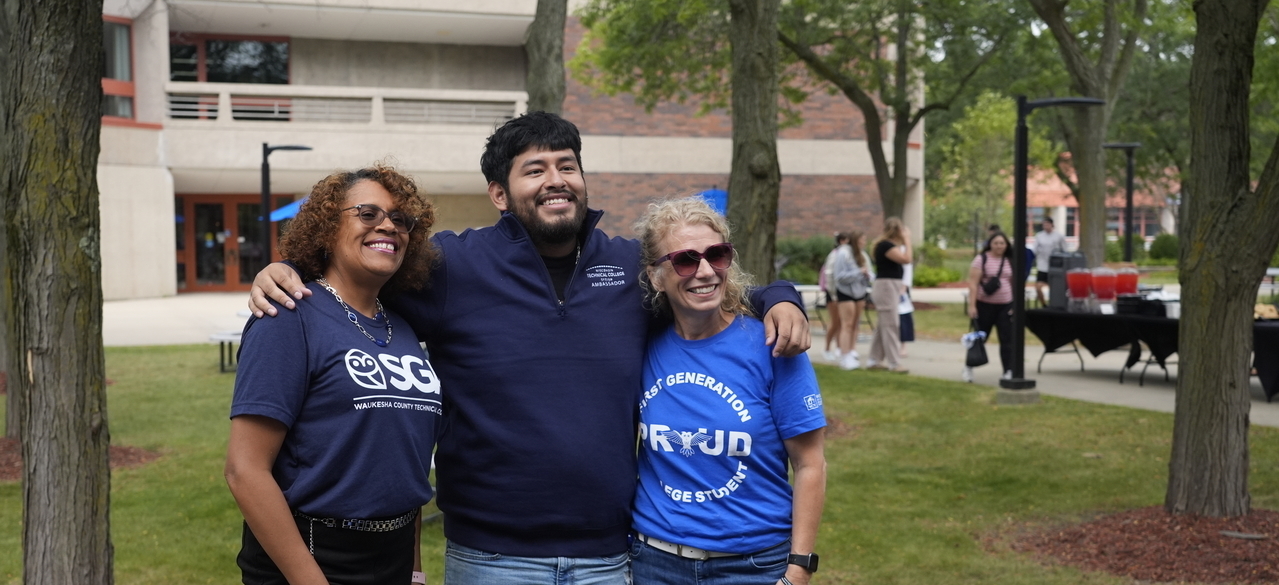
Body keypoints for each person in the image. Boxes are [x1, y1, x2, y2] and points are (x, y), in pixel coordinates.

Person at [247, 112, 812, 585]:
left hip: (607, 557)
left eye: (567, 165)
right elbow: (363, 262)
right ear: (499, 193)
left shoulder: (625, 265)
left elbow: (701, 276)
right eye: (534, 170)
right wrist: (289, 265)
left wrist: (780, 296)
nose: (555, 179)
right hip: (489, 558)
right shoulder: (450, 266)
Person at [225, 165, 440, 585]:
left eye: (400, 219)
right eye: (367, 213)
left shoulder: (403, 327)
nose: (388, 226)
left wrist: (414, 571)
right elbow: (245, 470)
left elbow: (403, 465)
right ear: (326, 227)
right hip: (311, 558)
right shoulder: (287, 316)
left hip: (393, 560)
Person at [630, 197, 826, 585]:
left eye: (717, 255)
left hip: (751, 565)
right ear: (656, 276)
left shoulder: (772, 344)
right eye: (684, 260)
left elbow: (810, 464)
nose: (704, 272)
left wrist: (799, 568)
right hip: (654, 562)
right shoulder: (641, 343)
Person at [965, 231, 1016, 382]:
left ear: (1006, 245)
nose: (999, 246)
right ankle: (969, 367)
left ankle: (1008, 371)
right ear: (990, 244)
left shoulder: (1010, 260)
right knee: (980, 338)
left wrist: (1014, 305)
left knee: (1007, 340)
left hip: (1005, 306)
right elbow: (973, 284)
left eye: (1002, 243)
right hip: (984, 305)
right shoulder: (982, 259)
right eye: (996, 243)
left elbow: (1014, 284)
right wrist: (972, 306)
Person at [867, 217, 912, 373]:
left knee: (883, 325)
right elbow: (907, 259)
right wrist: (907, 240)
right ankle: (894, 362)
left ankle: (874, 359)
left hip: (890, 285)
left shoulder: (888, 245)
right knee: (892, 324)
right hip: (886, 286)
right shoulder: (886, 246)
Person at [832, 231, 872, 370]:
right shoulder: (843, 253)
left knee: (855, 323)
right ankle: (844, 355)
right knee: (847, 324)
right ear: (856, 240)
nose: (865, 242)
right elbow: (839, 276)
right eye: (863, 239)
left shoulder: (863, 255)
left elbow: (871, 273)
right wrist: (858, 272)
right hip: (846, 292)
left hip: (859, 292)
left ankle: (852, 350)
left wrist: (867, 275)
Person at [818, 233, 847, 362]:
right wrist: (834, 295)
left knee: (841, 322)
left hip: (841, 293)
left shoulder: (844, 255)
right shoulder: (834, 255)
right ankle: (827, 348)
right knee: (835, 321)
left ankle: (840, 348)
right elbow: (829, 274)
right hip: (833, 294)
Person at [1032, 217, 1066, 306]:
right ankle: (1044, 304)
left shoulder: (1059, 236)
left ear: (1052, 224)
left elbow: (1064, 250)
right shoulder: (1039, 236)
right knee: (1038, 287)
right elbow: (1035, 250)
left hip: (1055, 266)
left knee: (1055, 288)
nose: (1045, 226)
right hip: (1042, 266)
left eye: (1047, 224)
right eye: (1044, 224)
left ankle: (1054, 304)